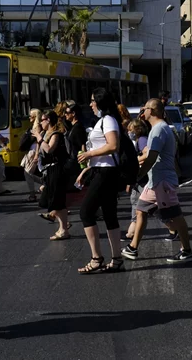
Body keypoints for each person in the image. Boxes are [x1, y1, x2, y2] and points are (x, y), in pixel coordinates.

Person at [122, 99, 192, 263]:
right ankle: (133, 248)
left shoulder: (159, 130)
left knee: (176, 216)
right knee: (141, 210)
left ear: (153, 111)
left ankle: (187, 250)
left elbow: (152, 157)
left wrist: (138, 175)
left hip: (162, 182)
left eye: (145, 108)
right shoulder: (157, 129)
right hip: (155, 181)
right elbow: (149, 153)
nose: (142, 111)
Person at [74, 89, 126, 274]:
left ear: (100, 102)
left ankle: (97, 258)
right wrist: (89, 167)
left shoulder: (108, 120)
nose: (90, 104)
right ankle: (117, 259)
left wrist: (89, 154)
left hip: (106, 173)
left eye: (92, 101)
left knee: (86, 212)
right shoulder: (104, 120)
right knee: (109, 215)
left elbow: (113, 146)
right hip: (101, 171)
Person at [35, 110, 71, 240]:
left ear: (48, 120)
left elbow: (49, 149)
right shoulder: (46, 134)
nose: (41, 122)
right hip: (49, 170)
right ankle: (63, 227)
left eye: (42, 120)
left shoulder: (56, 134)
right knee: (53, 201)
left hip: (57, 169)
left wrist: (39, 138)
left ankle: (63, 229)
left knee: (57, 201)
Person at [124, 118, 150, 239]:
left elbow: (147, 153)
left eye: (131, 130)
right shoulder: (139, 140)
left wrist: (134, 162)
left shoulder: (142, 140)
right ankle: (131, 232)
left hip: (143, 178)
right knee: (136, 202)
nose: (129, 132)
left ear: (137, 130)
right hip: (139, 178)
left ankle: (174, 228)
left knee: (145, 205)